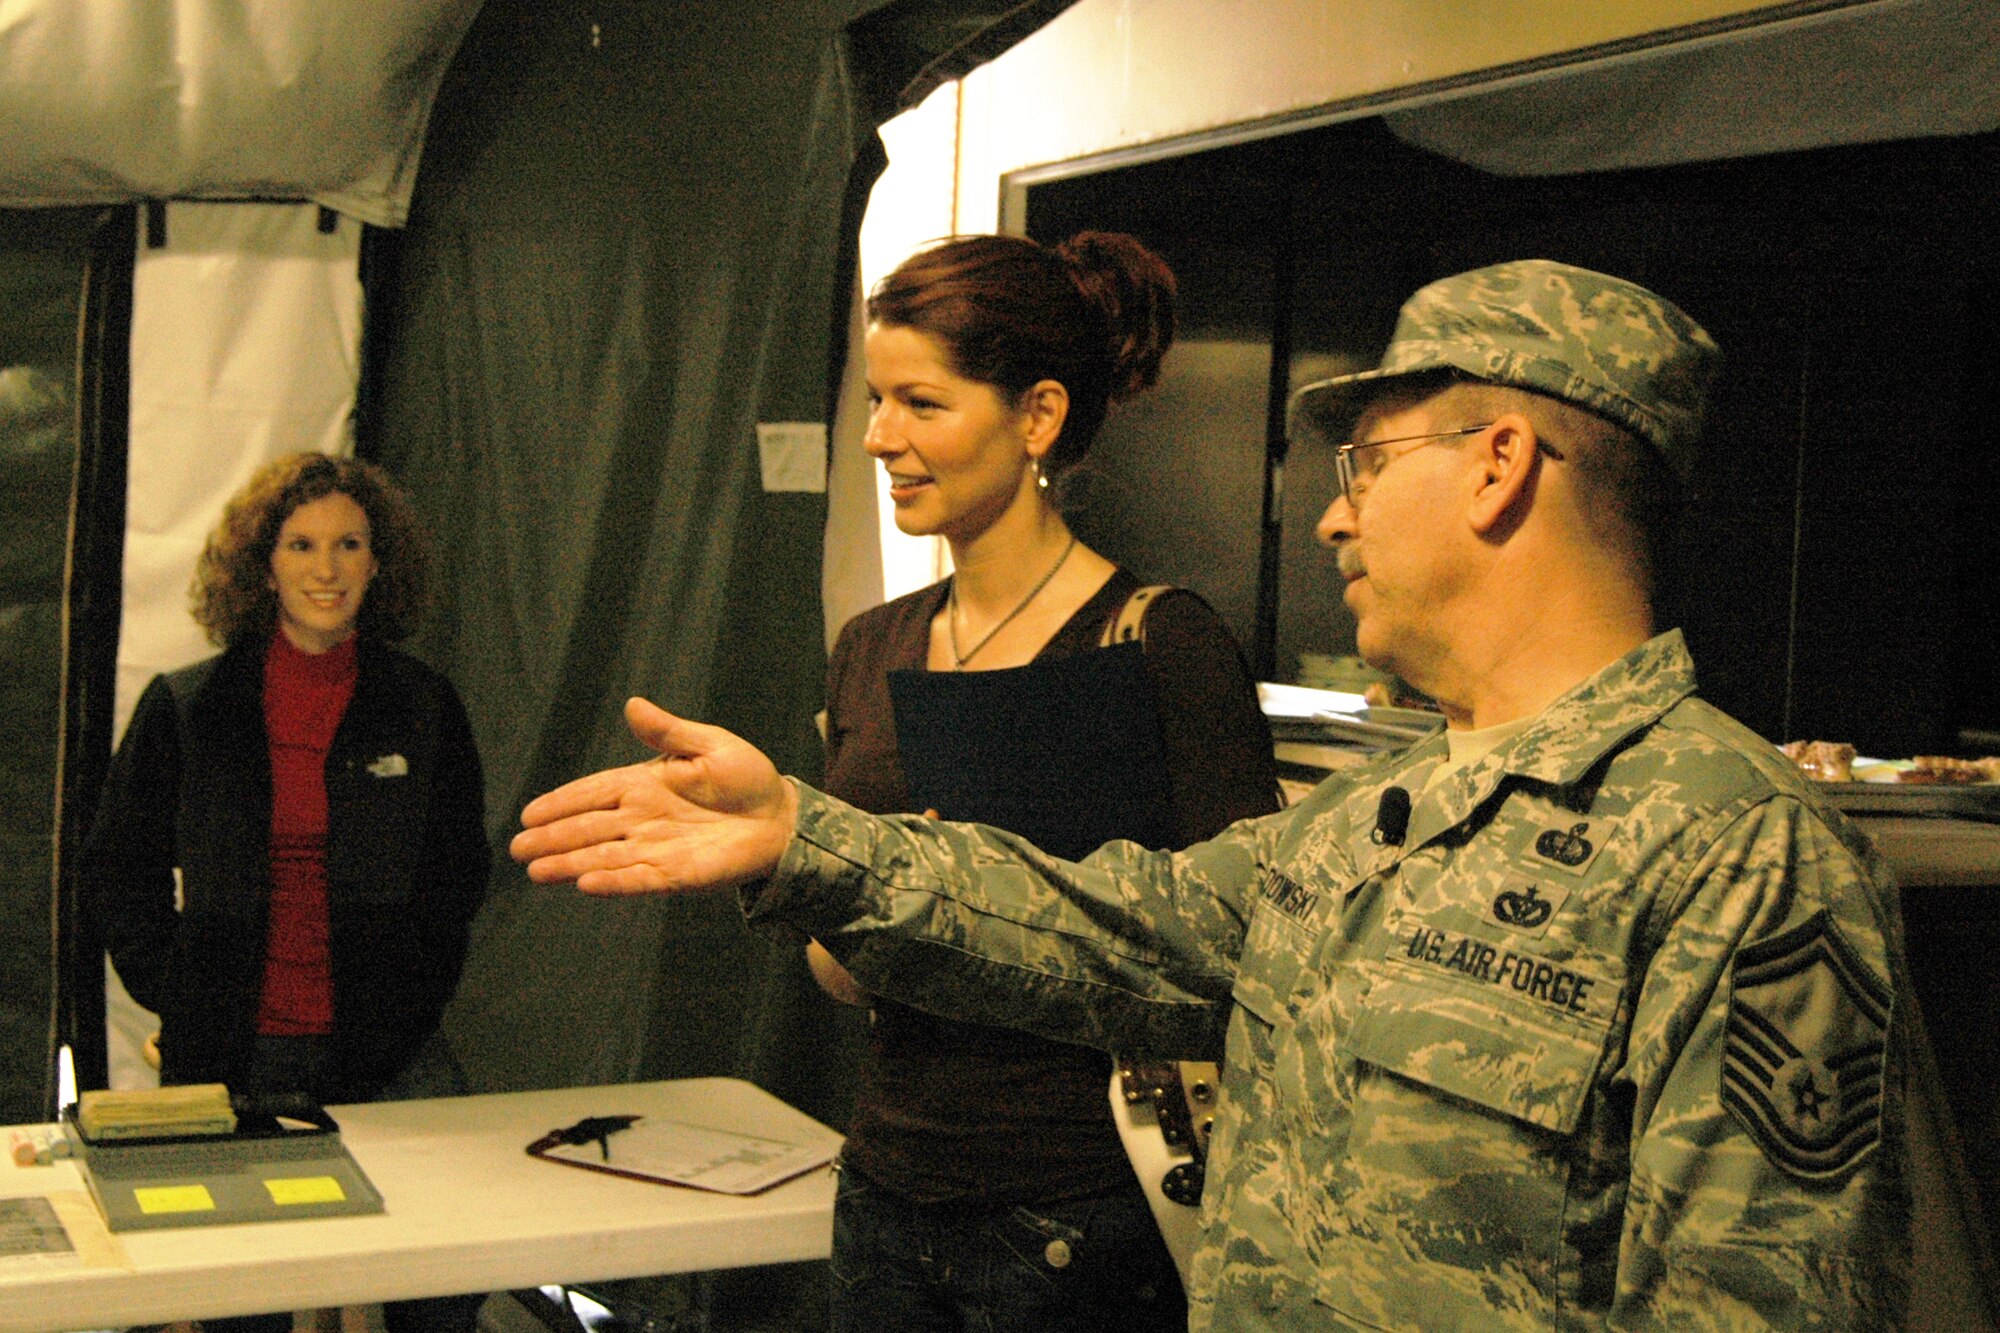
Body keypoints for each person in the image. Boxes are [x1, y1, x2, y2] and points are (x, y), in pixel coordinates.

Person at [511, 260, 1912, 1329]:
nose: (1334, 515)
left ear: (1499, 466)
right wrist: (808, 839)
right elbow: (1116, 923)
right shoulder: (1382, 816)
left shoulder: (1741, 857)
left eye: (1368, 462)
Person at [806, 230, 1279, 1330]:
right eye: (874, 402)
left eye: (921, 404)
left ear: (1037, 417)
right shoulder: (871, 645)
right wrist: (854, 892)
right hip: (881, 1191)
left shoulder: (1158, 642)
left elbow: (1247, 961)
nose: (881, 438)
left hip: (1079, 1214)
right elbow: (833, 968)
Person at [83, 452, 490, 1333]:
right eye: (301, 544)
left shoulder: (423, 707)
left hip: (387, 1051)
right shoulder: (188, 706)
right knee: (241, 1303)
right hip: (235, 1057)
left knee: (449, 1279)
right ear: (263, 564)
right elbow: (119, 869)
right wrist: (180, 989)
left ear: (379, 563)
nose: (326, 567)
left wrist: (410, 1000)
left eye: (349, 543)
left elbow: (456, 877)